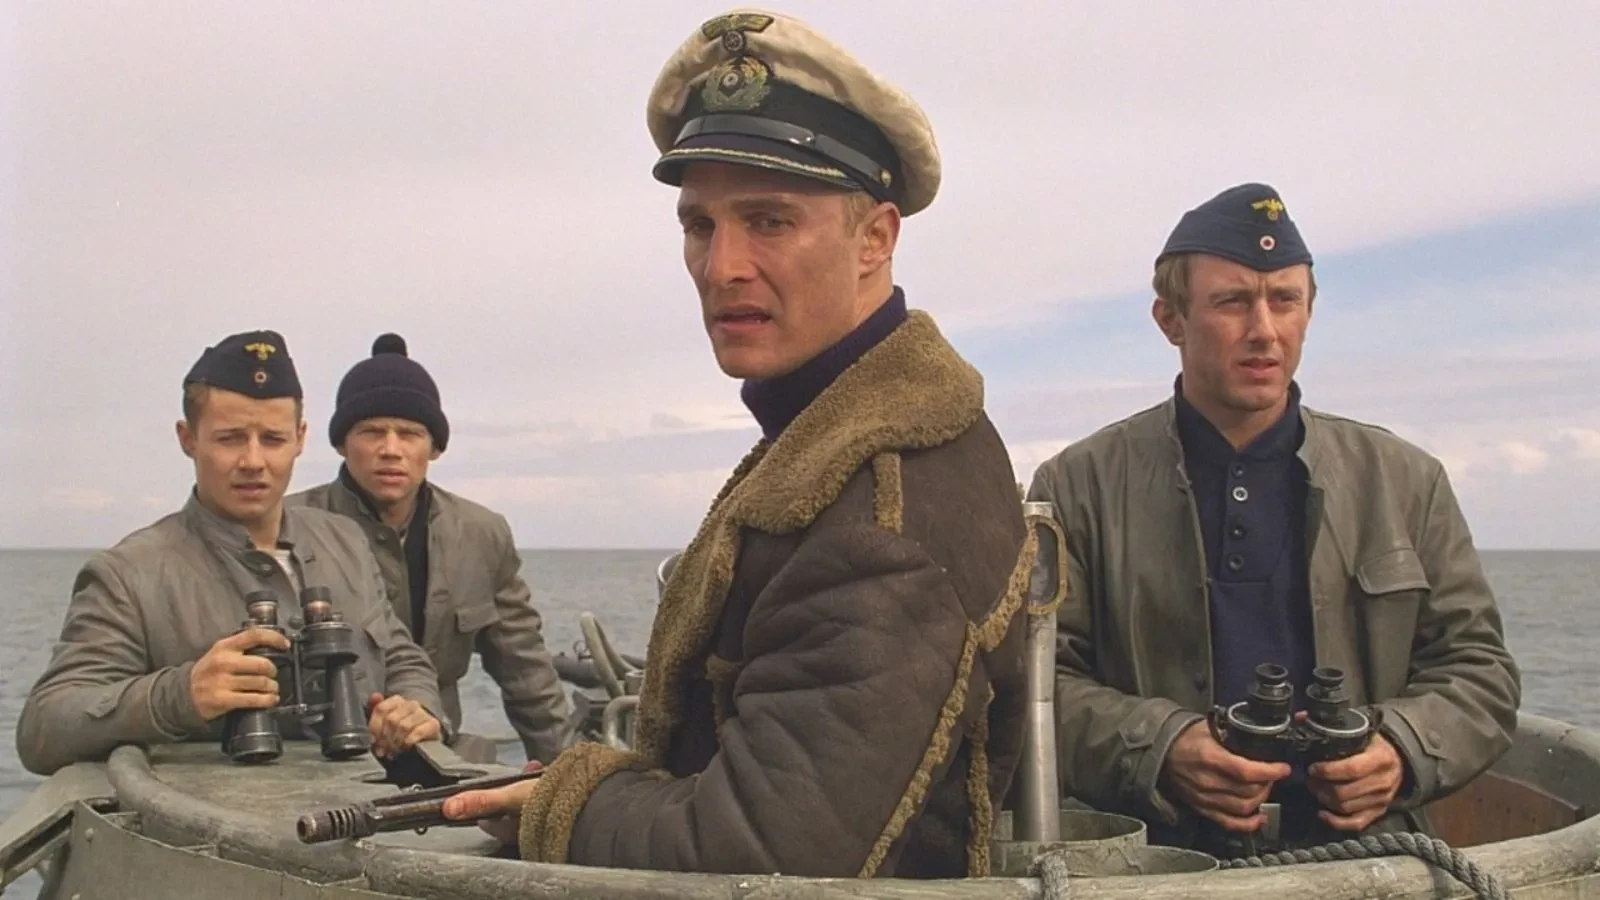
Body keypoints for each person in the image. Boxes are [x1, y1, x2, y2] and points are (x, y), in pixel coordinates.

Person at [439, 9, 1034, 879]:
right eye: (700, 226)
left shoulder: (884, 508)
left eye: (770, 221)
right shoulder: (833, 441)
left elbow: (774, 848)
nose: (722, 267)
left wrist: (570, 805)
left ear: (877, 237)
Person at [1026, 183, 1522, 854]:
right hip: (1158, 863)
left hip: (1368, 863)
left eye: (1284, 299)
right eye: (1232, 301)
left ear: (1308, 312)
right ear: (1170, 320)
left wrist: (1401, 748)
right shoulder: (1076, 486)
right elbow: (1034, 681)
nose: (1264, 329)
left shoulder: (1406, 481)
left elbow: (1480, 670)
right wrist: (1162, 746)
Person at [16, 330, 447, 776]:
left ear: (300, 438)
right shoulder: (129, 574)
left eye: (273, 439)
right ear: (188, 439)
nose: (253, 461)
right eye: (230, 438)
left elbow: (400, 655)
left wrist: (416, 707)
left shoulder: (346, 542)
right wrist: (182, 696)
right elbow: (43, 728)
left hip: (364, 806)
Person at [287, 333, 569, 765]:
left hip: (444, 754)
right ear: (342, 444)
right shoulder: (292, 528)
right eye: (372, 432)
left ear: (434, 447)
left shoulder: (480, 534)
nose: (391, 450)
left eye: (410, 433)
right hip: (323, 764)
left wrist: (567, 779)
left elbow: (526, 670)